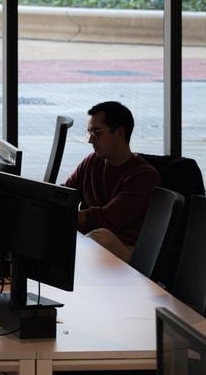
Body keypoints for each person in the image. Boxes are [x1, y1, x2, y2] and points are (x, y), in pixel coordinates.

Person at [63, 101, 161, 262]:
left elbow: (108, 220)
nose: (91, 140)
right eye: (89, 133)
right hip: (91, 241)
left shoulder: (144, 177)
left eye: (97, 132)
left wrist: (61, 214)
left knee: (101, 237)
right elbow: (66, 193)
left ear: (120, 133)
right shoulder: (92, 161)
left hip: (124, 250)